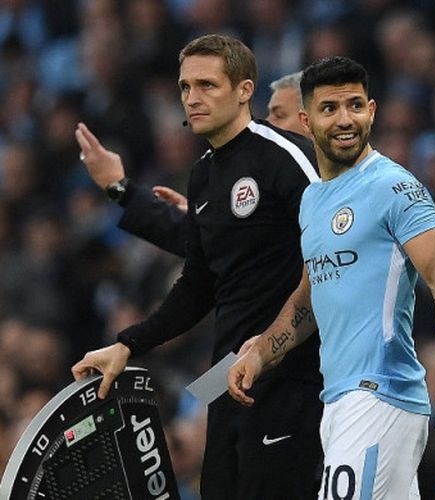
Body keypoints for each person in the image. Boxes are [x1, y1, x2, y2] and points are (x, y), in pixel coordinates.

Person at [72, 34, 323, 499]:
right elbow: (199, 285)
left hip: (292, 379)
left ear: (245, 89)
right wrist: (128, 344)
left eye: (207, 85)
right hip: (228, 380)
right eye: (186, 87)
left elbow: (331, 264)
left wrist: (279, 347)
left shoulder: (287, 158)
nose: (193, 98)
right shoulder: (205, 173)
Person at [228, 56, 435, 499]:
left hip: (379, 394)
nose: (345, 119)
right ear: (307, 120)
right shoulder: (313, 201)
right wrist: (262, 352)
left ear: (372, 110)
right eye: (330, 109)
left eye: (355, 106)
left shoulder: (392, 186)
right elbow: (308, 300)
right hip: (339, 400)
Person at [81, 70, 308, 257]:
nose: (266, 125)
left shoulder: (323, 194)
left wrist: (118, 186)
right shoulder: (253, 182)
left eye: (278, 115)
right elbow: (209, 240)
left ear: (309, 122)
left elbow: (216, 245)